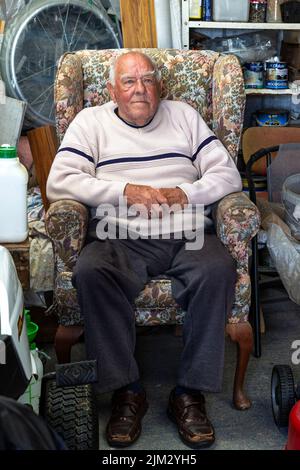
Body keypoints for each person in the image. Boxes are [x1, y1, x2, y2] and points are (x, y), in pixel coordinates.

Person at [46, 51, 242, 449]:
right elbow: (59, 181)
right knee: (90, 271)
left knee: (217, 269)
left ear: (160, 86)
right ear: (112, 90)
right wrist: (123, 191)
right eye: (130, 82)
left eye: (148, 80)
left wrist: (182, 193)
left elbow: (227, 174)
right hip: (116, 234)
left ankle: (188, 393)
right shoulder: (91, 122)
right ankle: (127, 391)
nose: (140, 89)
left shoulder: (184, 116)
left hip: (187, 231)